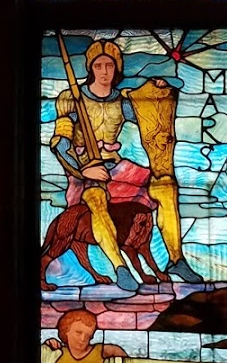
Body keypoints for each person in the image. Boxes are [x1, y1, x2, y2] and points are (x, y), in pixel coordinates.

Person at [50, 39, 155, 291]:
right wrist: (82, 170)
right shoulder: (72, 99)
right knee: (96, 200)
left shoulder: (124, 102)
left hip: (115, 166)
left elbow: (150, 123)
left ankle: (175, 259)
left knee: (160, 187)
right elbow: (60, 143)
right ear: (91, 68)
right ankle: (120, 268)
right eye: (98, 66)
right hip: (84, 168)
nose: (104, 71)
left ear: (117, 68)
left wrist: (157, 91)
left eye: (110, 65)